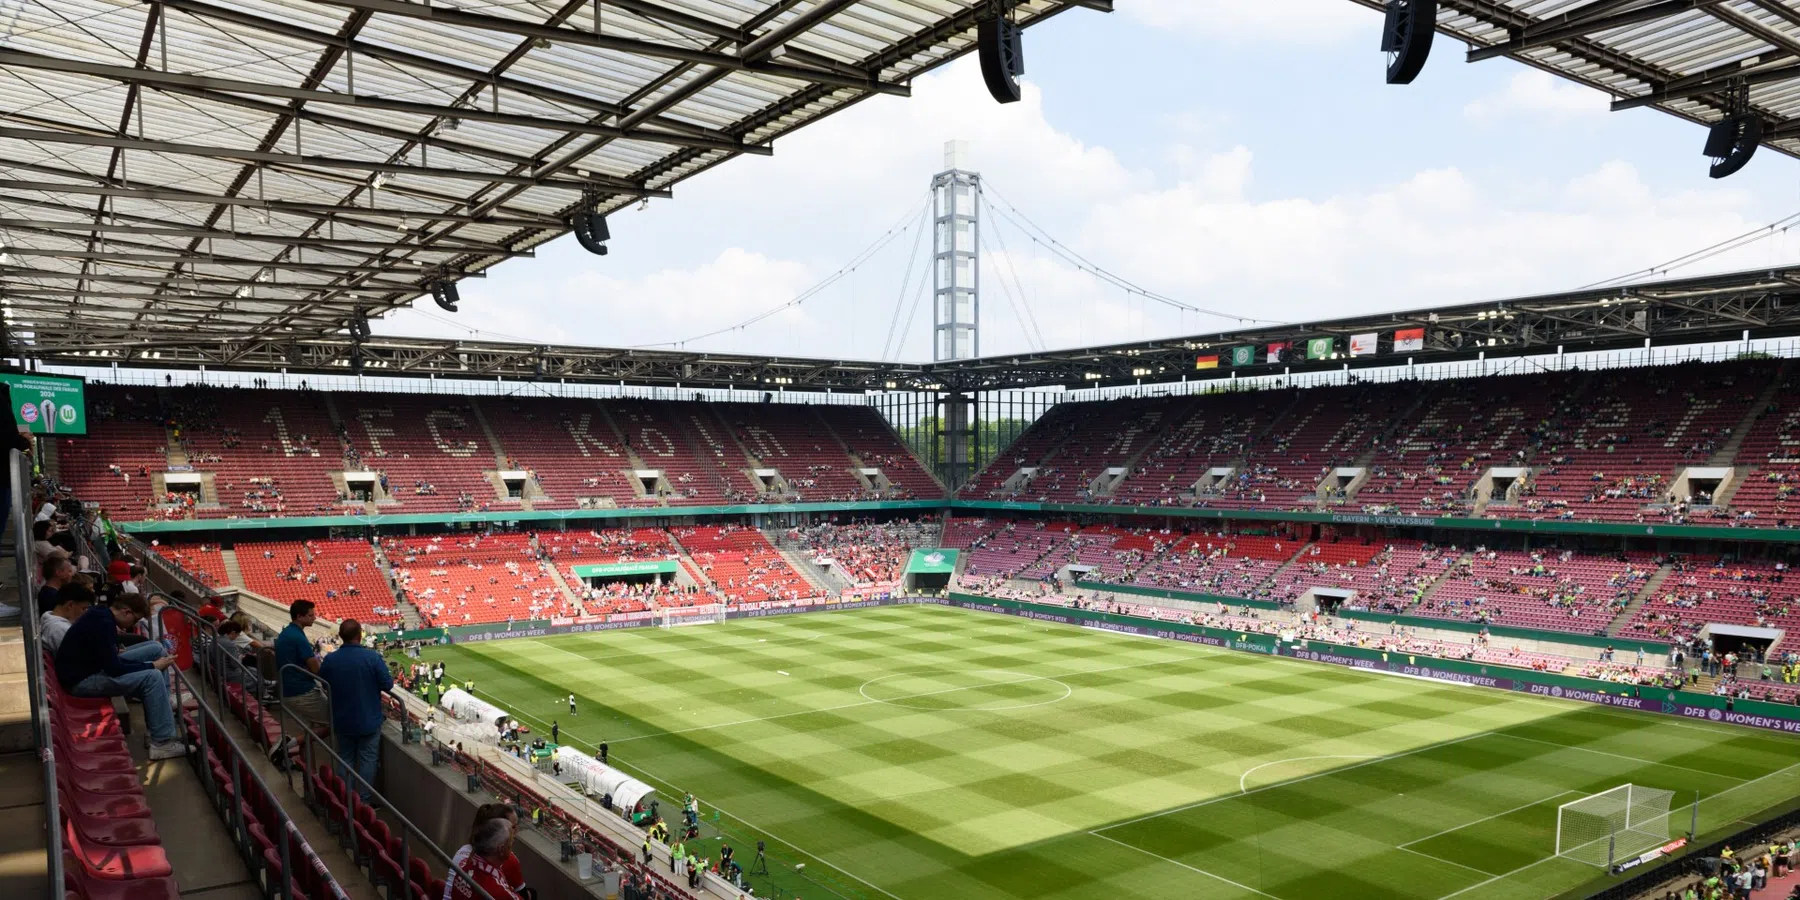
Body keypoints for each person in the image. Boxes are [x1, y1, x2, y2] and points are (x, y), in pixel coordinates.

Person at [56, 592, 185, 759]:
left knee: (155, 648)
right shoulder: (103, 622)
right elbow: (114, 669)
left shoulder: (101, 613)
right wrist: (152, 665)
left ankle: (158, 722)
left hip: (92, 667)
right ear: (126, 612)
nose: (131, 625)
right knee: (152, 676)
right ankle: (162, 742)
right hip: (81, 680)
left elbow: (105, 655)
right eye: (134, 620)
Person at [318, 619, 392, 801]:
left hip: (342, 719)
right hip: (368, 720)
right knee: (368, 760)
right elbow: (387, 684)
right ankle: (363, 803)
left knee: (345, 758)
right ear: (360, 635)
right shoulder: (372, 657)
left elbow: (323, 682)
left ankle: (345, 800)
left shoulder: (330, 659)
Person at [270, 600, 330, 763]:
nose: (314, 618)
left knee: (309, 728)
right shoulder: (297, 637)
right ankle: (289, 744)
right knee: (335, 722)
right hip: (300, 691)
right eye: (311, 615)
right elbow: (315, 668)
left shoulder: (289, 632)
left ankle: (306, 768)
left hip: (290, 688)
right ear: (299, 616)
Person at [443, 803, 526, 900]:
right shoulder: (497, 890)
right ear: (501, 849)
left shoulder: (465, 867)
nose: (515, 834)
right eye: (513, 828)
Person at [40, 580, 96, 656]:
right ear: (70, 605)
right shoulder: (61, 629)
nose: (85, 613)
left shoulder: (50, 619)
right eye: (83, 608)